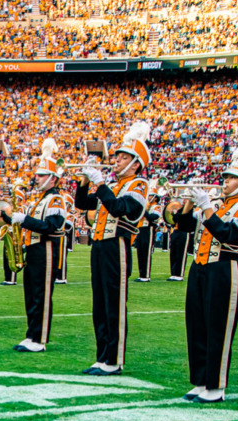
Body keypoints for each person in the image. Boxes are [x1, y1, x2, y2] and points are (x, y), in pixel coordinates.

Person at [173, 135, 238, 403]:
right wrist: (190, 202)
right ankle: (201, 380)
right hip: (200, 269)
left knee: (218, 327)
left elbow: (233, 236)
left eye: (232, 178)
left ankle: (217, 385)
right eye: (225, 176)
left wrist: (207, 208)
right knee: (197, 325)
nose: (225, 181)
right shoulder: (219, 205)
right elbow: (185, 226)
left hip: (224, 270)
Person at [74, 122, 151, 376]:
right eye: (116, 156)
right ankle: (102, 356)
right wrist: (85, 181)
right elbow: (82, 203)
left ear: (136, 163)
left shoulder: (138, 184)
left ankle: (114, 359)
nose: (116, 160)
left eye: (123, 157)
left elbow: (120, 208)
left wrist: (101, 184)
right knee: (100, 303)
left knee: (113, 302)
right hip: (100, 246)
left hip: (117, 246)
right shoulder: (116, 186)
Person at [0, 139, 67, 352]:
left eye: (40, 175)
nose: (35, 179)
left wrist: (24, 220)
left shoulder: (56, 199)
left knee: (41, 294)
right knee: (30, 294)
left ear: (52, 178)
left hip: (46, 250)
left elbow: (51, 226)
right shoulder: (41, 199)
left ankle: (39, 339)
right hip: (33, 250)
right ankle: (31, 335)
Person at [134, 191, 163, 282]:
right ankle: (141, 274)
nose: (148, 197)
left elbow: (152, 217)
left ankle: (146, 275)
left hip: (149, 229)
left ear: (155, 198)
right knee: (140, 252)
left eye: (150, 196)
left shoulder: (156, 207)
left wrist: (144, 210)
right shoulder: (146, 205)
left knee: (146, 252)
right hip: (141, 229)